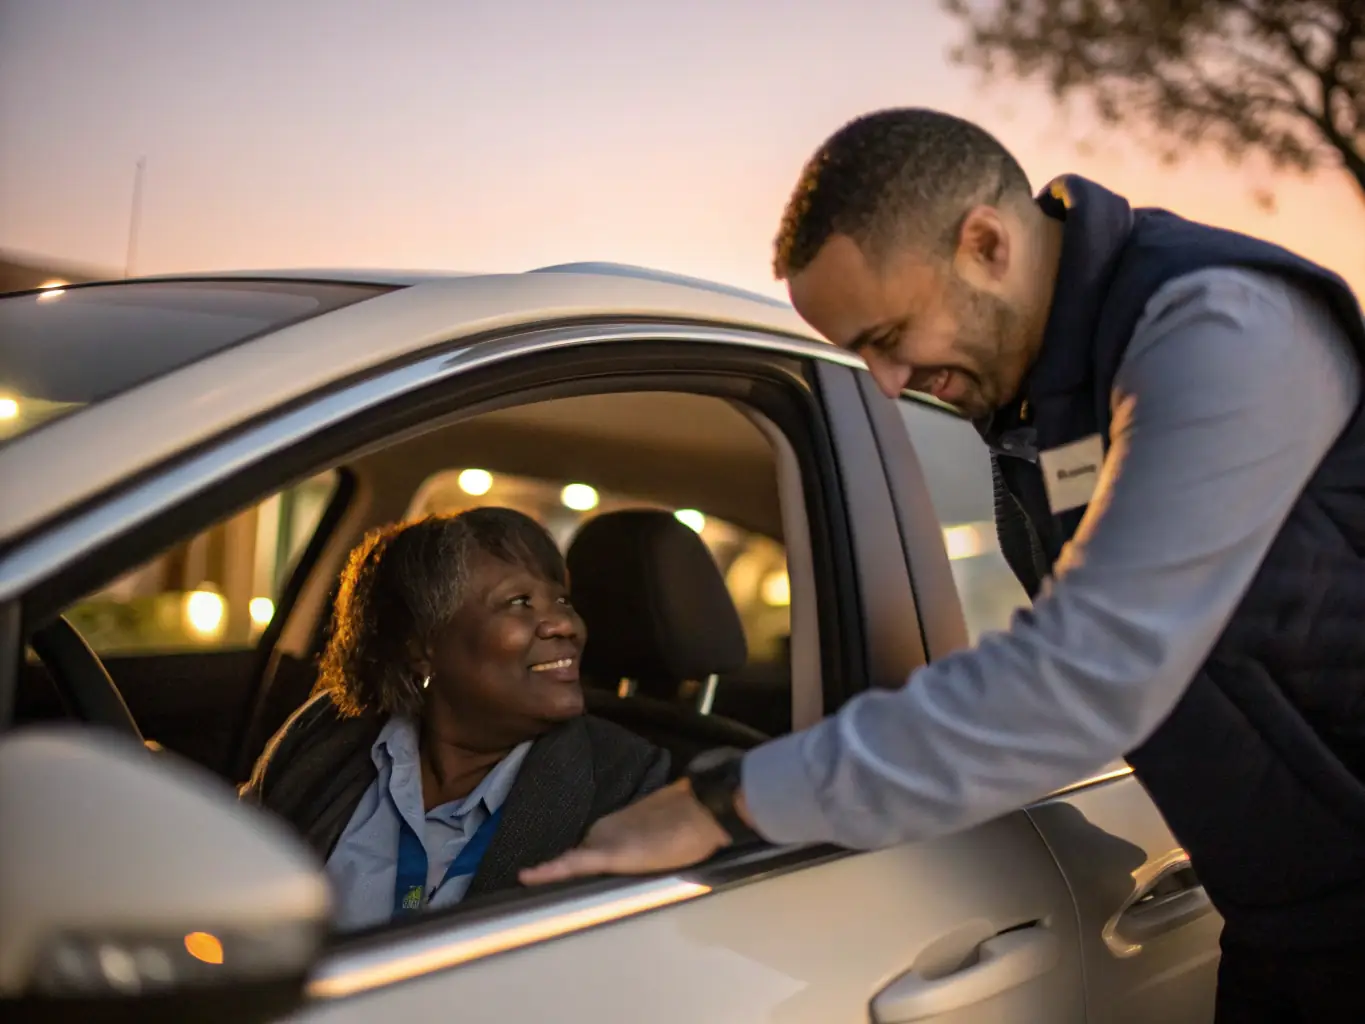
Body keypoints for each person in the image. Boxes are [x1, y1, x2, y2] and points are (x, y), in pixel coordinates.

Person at [520, 108, 1365, 1020]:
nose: (883, 383)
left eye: (888, 336)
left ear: (986, 244)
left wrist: (722, 804)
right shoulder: (1036, 404)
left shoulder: (1217, 327)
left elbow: (1085, 672)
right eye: (858, 355)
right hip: (1293, 927)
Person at [242, 506, 669, 930]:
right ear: (423, 648)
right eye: (520, 602)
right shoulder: (324, 732)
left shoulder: (626, 785)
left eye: (562, 600)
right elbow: (232, 881)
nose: (565, 624)